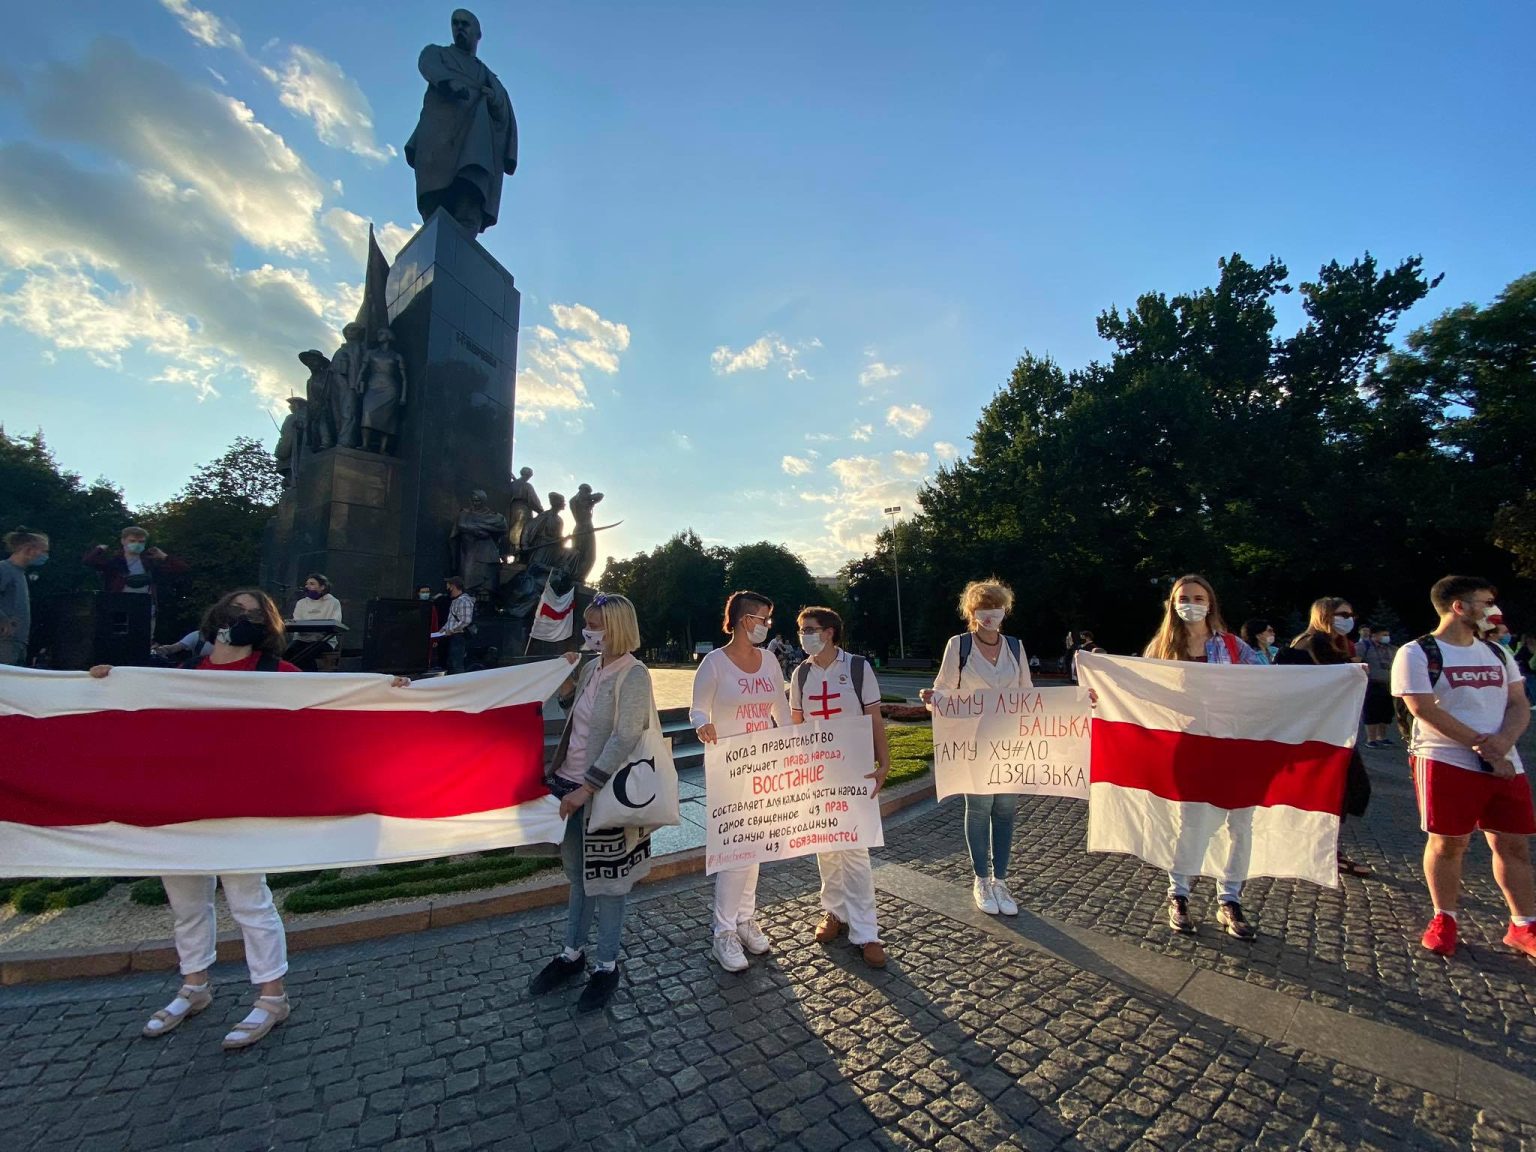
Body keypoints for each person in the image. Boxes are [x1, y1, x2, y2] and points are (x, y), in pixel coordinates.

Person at [89, 589, 298, 1049]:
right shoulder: (183, 675)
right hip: (181, 806)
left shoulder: (279, 674)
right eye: (235, 609)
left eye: (254, 613)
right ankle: (194, 986)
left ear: (269, 625)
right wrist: (103, 682)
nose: (242, 618)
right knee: (186, 904)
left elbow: (334, 705)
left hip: (239, 808)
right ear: (217, 616)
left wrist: (389, 691)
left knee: (249, 903)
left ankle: (271, 996)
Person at [1392, 576, 1535, 960]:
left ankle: (1523, 924)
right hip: (1445, 759)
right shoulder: (1417, 652)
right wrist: (1483, 746)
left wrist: (1501, 744)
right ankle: (1444, 918)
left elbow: (1519, 703)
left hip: (1504, 761)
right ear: (1459, 606)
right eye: (1485, 602)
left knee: (1513, 844)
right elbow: (1422, 707)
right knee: (1449, 843)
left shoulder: (1497, 653)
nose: (1494, 611)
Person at [528, 594, 653, 1011]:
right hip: (568, 784)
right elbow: (575, 717)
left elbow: (626, 735)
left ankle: (606, 964)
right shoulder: (590, 667)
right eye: (588, 623)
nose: (588, 631)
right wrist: (564, 685)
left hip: (603, 796)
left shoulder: (633, 674)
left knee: (610, 882)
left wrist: (589, 786)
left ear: (616, 627)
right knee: (578, 875)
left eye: (596, 624)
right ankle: (572, 953)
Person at [1143, 574, 1265, 939]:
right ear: (1172, 603)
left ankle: (1230, 899)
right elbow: (1141, 691)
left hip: (1233, 745)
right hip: (1188, 746)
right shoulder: (1162, 648)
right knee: (1192, 823)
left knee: (1240, 826)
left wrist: (1341, 679)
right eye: (1184, 597)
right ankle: (1178, 894)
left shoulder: (1233, 647)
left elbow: (1272, 684)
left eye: (1198, 597)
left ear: (1210, 603)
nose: (1191, 603)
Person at [919, 579, 1032, 916]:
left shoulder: (1015, 647)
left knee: (1006, 811)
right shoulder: (960, 646)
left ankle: (1001, 880)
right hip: (973, 742)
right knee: (981, 809)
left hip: (1008, 743)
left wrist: (1077, 702)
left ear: (1005, 610)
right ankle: (981, 878)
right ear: (971, 613)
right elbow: (942, 690)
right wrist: (932, 700)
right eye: (982, 608)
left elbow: (1029, 693)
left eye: (995, 607)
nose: (989, 614)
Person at [690, 591, 789, 971]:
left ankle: (745, 919)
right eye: (762, 618)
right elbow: (697, 708)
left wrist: (800, 743)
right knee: (736, 851)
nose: (766, 625)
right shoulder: (714, 664)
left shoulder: (768, 661)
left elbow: (780, 708)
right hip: (729, 766)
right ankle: (723, 932)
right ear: (744, 619)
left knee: (756, 848)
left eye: (768, 618)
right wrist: (703, 724)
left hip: (764, 765)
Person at [790, 606, 890, 968]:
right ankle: (834, 913)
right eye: (802, 630)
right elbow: (798, 727)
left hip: (855, 770)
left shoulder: (858, 667)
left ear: (830, 632)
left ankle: (867, 932)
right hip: (819, 772)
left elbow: (874, 718)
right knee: (826, 847)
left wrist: (885, 762)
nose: (804, 636)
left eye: (810, 629)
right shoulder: (801, 674)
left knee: (855, 852)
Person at [1279, 598, 1374, 879]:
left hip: (1328, 726)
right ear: (1326, 615)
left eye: (1350, 613)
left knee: (1342, 787)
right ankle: (1325, 850)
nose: (1348, 618)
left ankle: (1321, 847)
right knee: (1342, 787)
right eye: (1342, 614)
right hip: (1320, 729)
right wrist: (1355, 668)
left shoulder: (1328, 642)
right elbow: (1333, 676)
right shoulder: (1315, 642)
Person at [83, 527, 186, 640]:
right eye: (132, 541)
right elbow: (89, 561)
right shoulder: (114, 562)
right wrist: (99, 549)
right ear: (123, 541)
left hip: (145, 606)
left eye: (141, 542)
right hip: (120, 606)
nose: (137, 544)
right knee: (119, 638)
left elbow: (181, 568)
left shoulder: (150, 562)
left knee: (144, 640)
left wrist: (163, 556)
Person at [0, 529, 49, 666]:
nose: (45, 556)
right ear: (29, 550)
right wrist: (3, 620)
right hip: (5, 640)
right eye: (44, 551)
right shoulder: (4, 569)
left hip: (17, 640)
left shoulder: (20, 575)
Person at [288, 573, 343, 670]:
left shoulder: (333, 602)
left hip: (324, 640)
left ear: (322, 587)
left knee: (305, 655)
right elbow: (296, 622)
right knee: (286, 655)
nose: (307, 586)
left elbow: (336, 622)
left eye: (312, 584)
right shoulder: (301, 603)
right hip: (302, 639)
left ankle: (309, 679)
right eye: (307, 584)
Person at [1361, 625, 1397, 747]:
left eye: (1387, 635)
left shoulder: (1392, 649)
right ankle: (1371, 739)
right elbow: (1355, 661)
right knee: (1372, 712)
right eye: (1383, 635)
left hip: (1388, 685)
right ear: (1374, 636)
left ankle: (1382, 737)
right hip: (1372, 684)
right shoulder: (1364, 647)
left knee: (1386, 713)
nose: (1386, 637)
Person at [440, 576, 474, 673]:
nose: (447, 589)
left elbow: (466, 621)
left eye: (448, 586)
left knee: (456, 664)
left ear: (453, 586)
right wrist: (444, 628)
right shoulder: (456, 600)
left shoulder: (463, 600)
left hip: (459, 636)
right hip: (453, 635)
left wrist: (451, 630)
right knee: (452, 662)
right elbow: (452, 619)